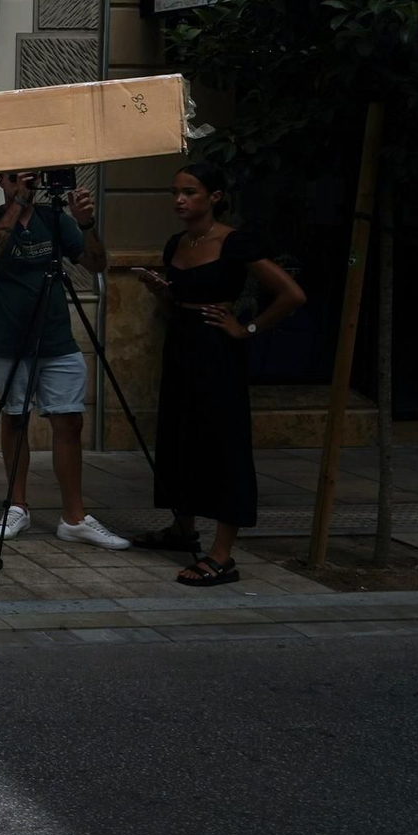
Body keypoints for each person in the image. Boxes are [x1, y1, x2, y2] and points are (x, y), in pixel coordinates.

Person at [131, 163, 305, 586]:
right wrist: (165, 291)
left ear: (214, 197)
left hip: (218, 350)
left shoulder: (234, 241)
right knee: (179, 434)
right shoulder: (178, 241)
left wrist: (246, 328)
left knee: (223, 444)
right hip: (181, 345)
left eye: (190, 192)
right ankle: (182, 528)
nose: (179, 200)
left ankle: (222, 555)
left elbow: (291, 294)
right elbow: (183, 296)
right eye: (175, 192)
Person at [0, 170, 130, 550]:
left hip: (56, 336)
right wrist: (19, 203)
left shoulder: (55, 221)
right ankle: (17, 505)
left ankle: (74, 517)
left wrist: (86, 223)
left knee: (69, 420)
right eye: (12, 178)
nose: (21, 184)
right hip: (7, 337)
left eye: (28, 178)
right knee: (15, 418)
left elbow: (96, 263)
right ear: (0, 181)